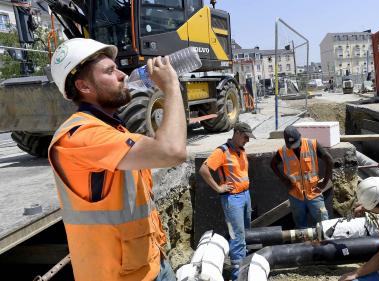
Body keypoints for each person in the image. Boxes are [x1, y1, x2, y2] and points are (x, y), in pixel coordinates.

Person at [47, 38, 187, 281]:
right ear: (84, 86)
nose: (122, 75)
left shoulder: (114, 131)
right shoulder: (81, 136)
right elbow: (171, 151)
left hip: (150, 262)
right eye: (110, 71)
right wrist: (172, 87)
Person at [198, 122, 255, 281]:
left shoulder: (241, 150)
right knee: (237, 237)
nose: (247, 140)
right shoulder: (222, 151)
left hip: (245, 196)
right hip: (233, 199)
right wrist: (218, 188)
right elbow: (203, 170)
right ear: (236, 133)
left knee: (246, 234)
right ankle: (238, 276)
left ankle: (245, 268)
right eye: (245, 137)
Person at [270, 125, 333, 229]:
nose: (295, 147)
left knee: (324, 225)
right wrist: (284, 180)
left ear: (299, 137)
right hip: (296, 196)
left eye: (296, 144)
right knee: (301, 228)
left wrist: (325, 182)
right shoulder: (283, 151)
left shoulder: (312, 144)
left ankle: (325, 243)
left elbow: (329, 160)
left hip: (313, 193)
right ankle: (303, 244)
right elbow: (273, 164)